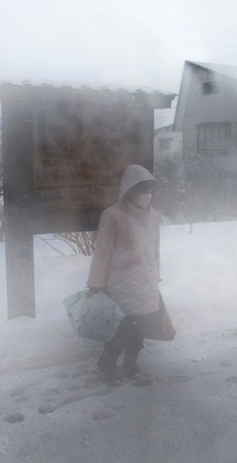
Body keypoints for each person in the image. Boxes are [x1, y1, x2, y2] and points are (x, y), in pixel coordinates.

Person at [87, 164, 161, 383]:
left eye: (149, 189)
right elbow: (102, 252)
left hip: (146, 281)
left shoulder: (154, 216)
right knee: (120, 328)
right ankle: (108, 363)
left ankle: (131, 362)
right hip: (121, 283)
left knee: (141, 329)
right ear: (129, 190)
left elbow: (156, 249)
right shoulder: (112, 215)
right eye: (141, 189)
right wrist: (96, 283)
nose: (146, 195)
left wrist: (157, 275)